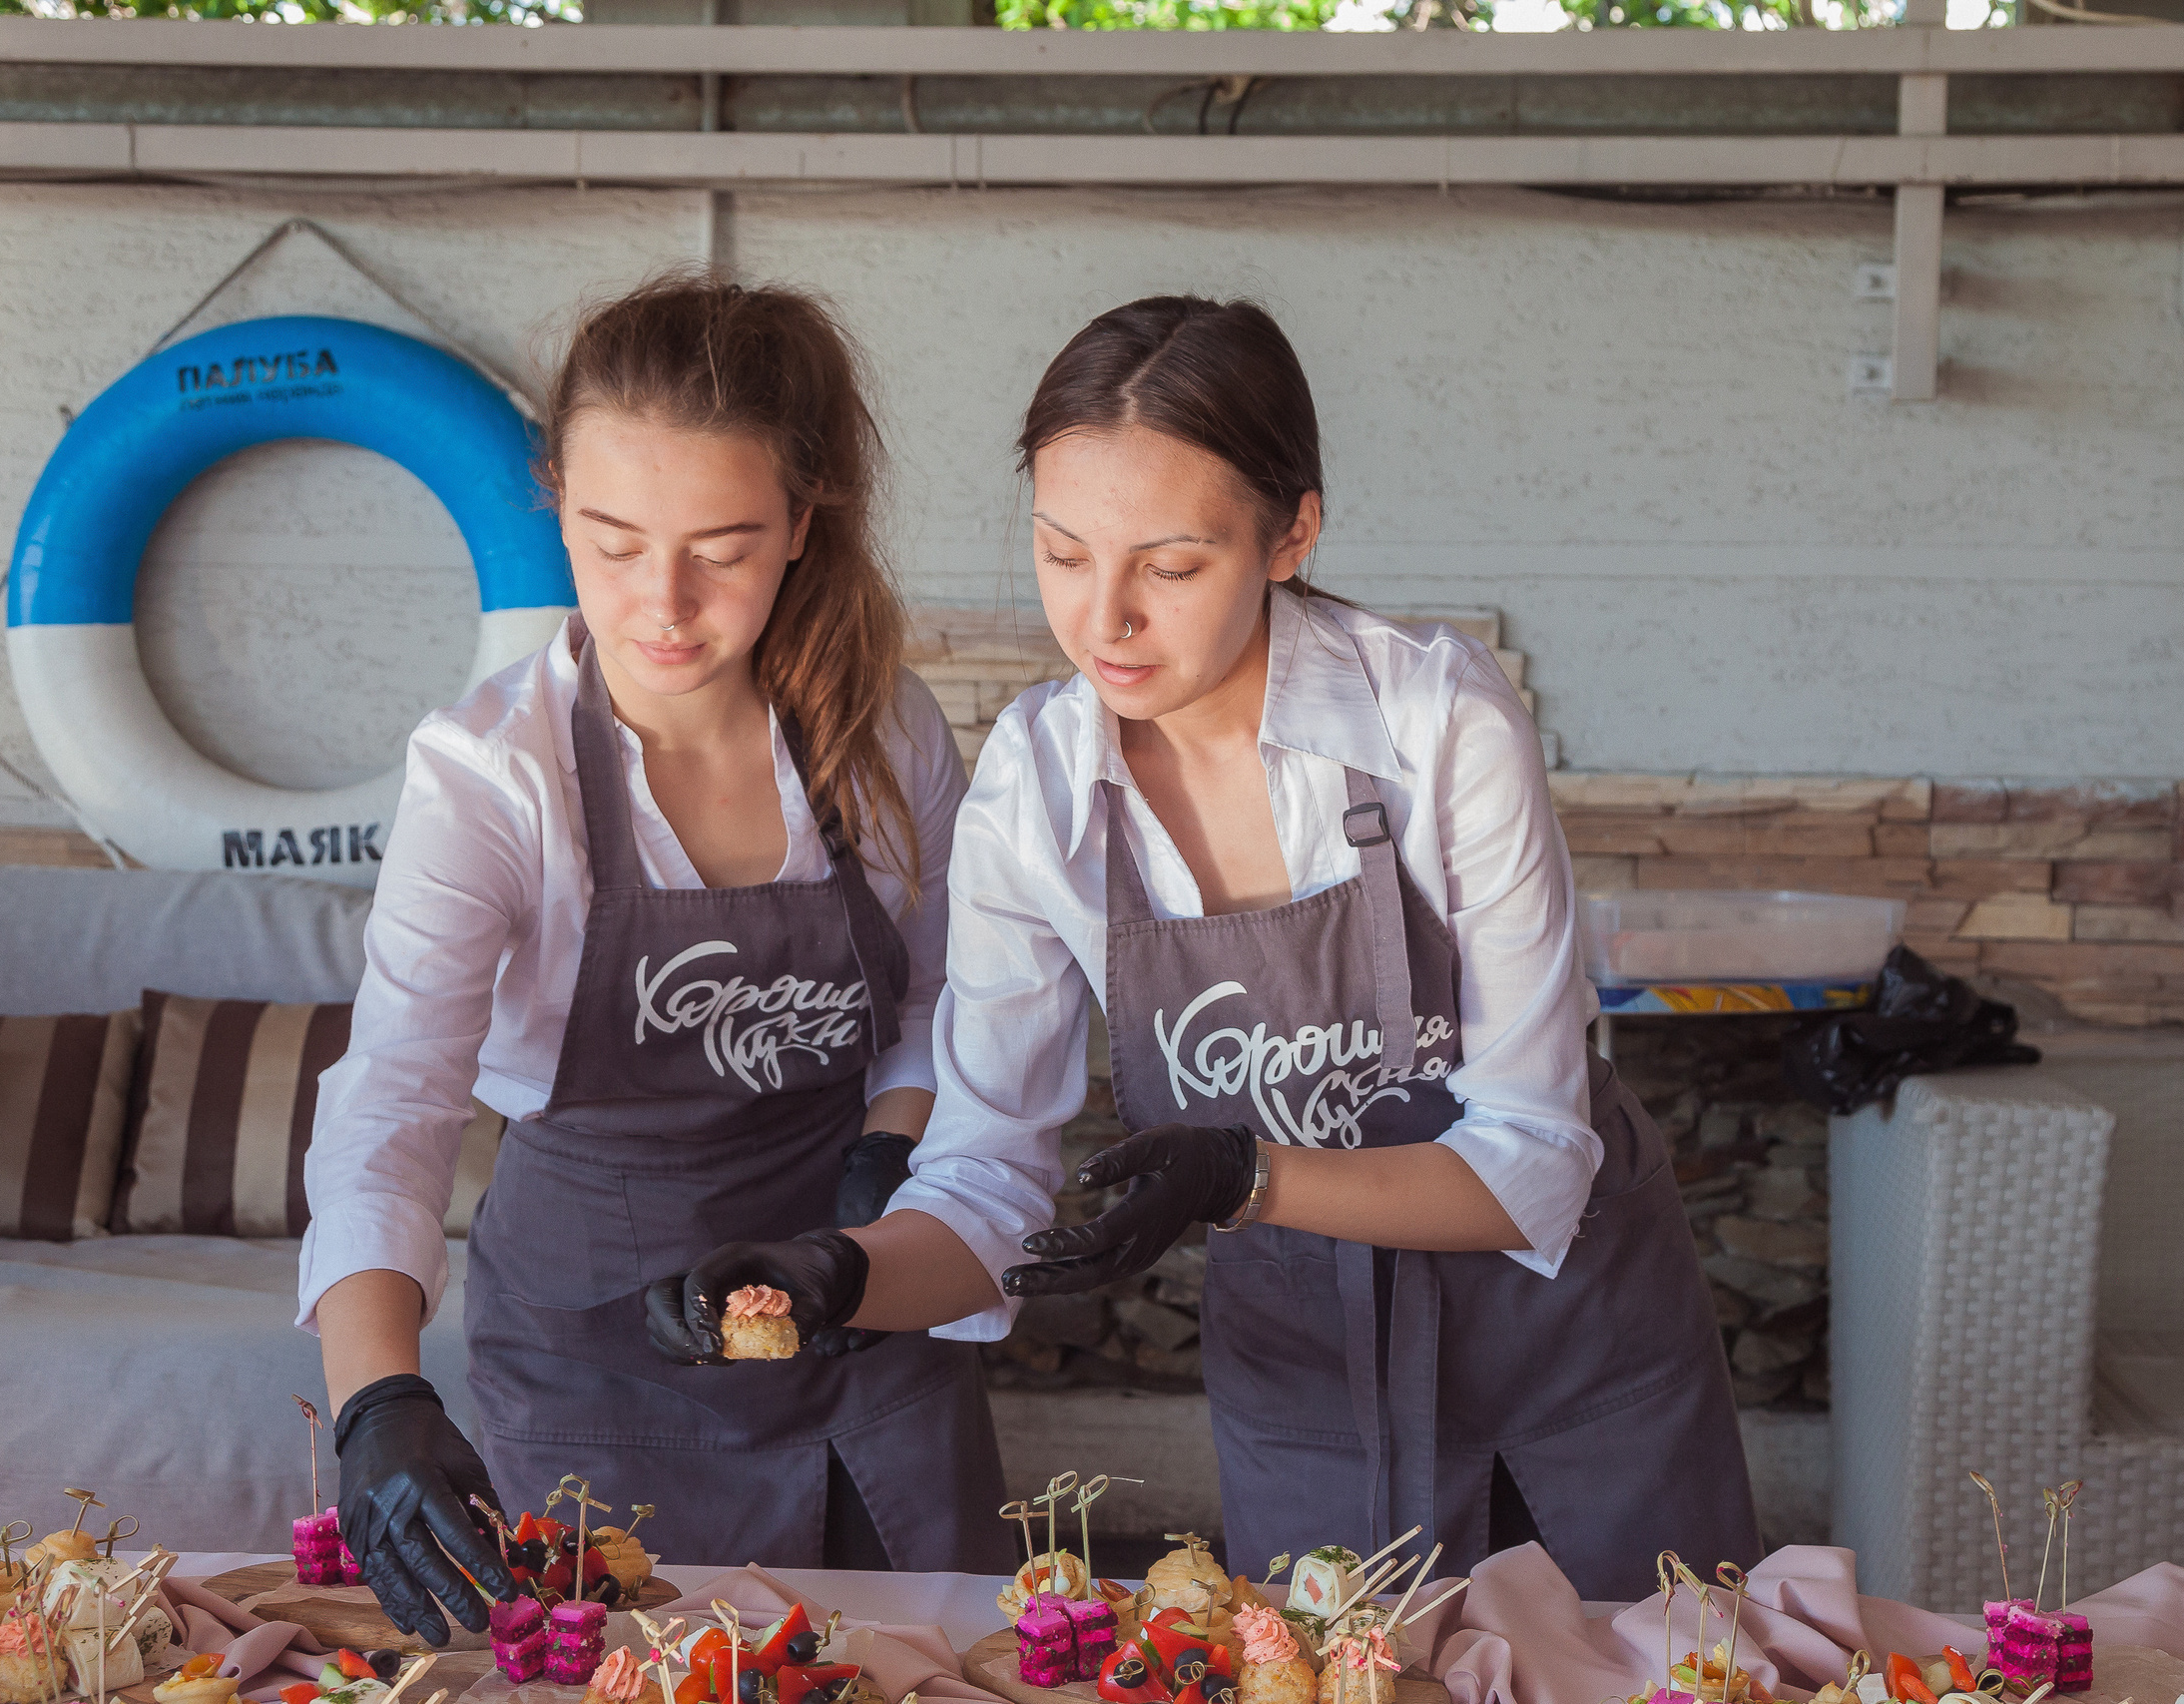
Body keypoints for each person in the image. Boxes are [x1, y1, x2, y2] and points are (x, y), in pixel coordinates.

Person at [681, 295, 1760, 1596]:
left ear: (1290, 534)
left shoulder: (1435, 722)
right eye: (1063, 553)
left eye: (1173, 567)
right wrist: (834, 1274)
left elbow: (1532, 1159)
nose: (1105, 622)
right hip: (1307, 1378)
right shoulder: (1037, 785)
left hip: (1577, 1351)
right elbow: (983, 1176)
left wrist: (1247, 1175)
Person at [296, 273, 1007, 1645]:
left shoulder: (880, 730)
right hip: (593, 1363)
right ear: (557, 502)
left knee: (924, 1665)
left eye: (723, 550)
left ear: (803, 526)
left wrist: (889, 1161)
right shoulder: (493, 776)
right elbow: (394, 1097)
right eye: (612, 543)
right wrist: (376, 1400)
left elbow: (943, 997)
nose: (663, 604)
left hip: (860, 1304)